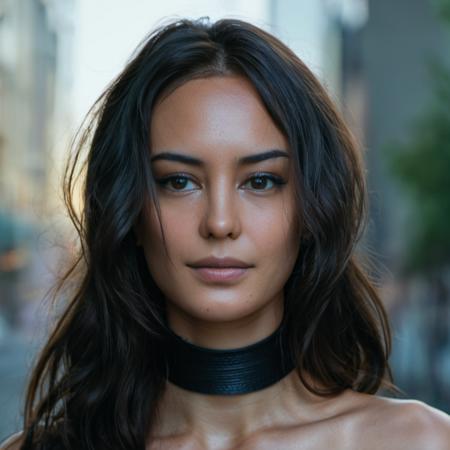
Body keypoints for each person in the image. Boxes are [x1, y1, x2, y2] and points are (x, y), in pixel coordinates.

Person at [2, 16, 450, 450]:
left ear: (312, 208)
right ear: (130, 210)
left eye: (261, 181)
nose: (219, 223)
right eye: (179, 181)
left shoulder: (421, 441)